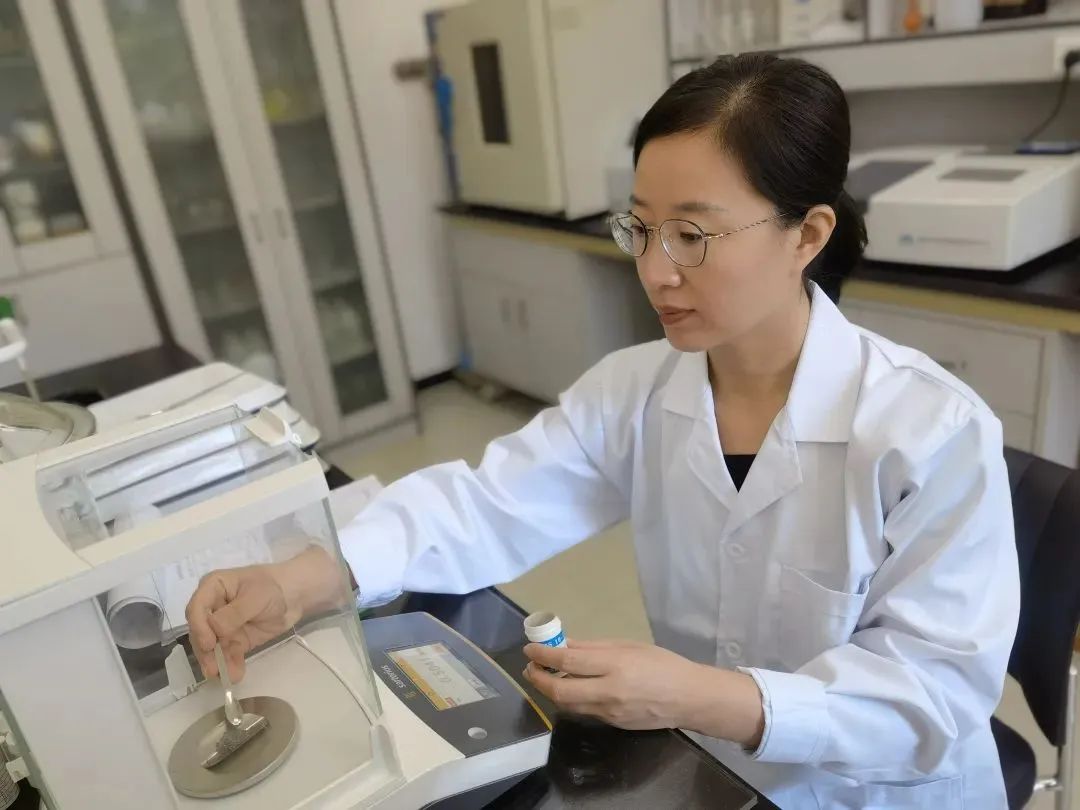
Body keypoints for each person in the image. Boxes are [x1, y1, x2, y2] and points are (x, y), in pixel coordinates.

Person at [187, 54, 1019, 809]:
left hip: (878, 794)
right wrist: (309, 578)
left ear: (806, 234)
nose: (654, 270)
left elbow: (934, 701)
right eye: (641, 228)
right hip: (707, 771)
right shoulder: (637, 392)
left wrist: (693, 694)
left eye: (692, 235)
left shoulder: (931, 434)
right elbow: (486, 503)